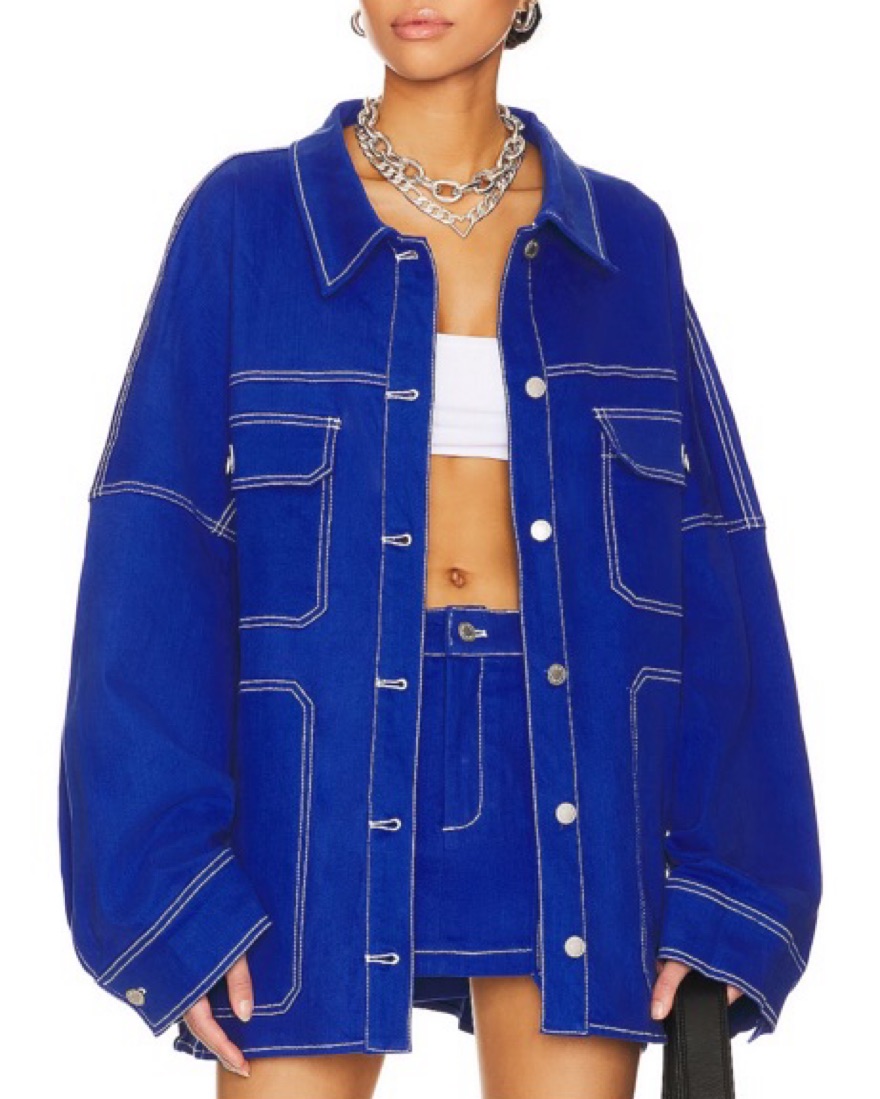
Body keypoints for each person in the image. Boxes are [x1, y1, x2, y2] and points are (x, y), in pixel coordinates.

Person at [57, 3, 822, 1097]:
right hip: (312, 795)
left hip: (572, 786)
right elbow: (152, 549)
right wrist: (168, 892)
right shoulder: (249, 218)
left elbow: (712, 562)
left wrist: (731, 889)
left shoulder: (624, 242)